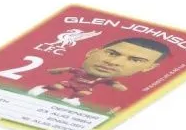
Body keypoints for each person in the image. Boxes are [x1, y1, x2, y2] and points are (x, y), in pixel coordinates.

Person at [28, 37, 170, 106]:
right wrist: (54, 71)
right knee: (57, 87)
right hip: (70, 83)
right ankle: (42, 88)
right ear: (91, 52)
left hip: (84, 88)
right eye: (112, 53)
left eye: (135, 60)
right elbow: (67, 69)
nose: (113, 62)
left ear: (149, 68)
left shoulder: (106, 80)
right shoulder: (79, 71)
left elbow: (114, 84)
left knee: (83, 93)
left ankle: (72, 99)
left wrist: (121, 87)